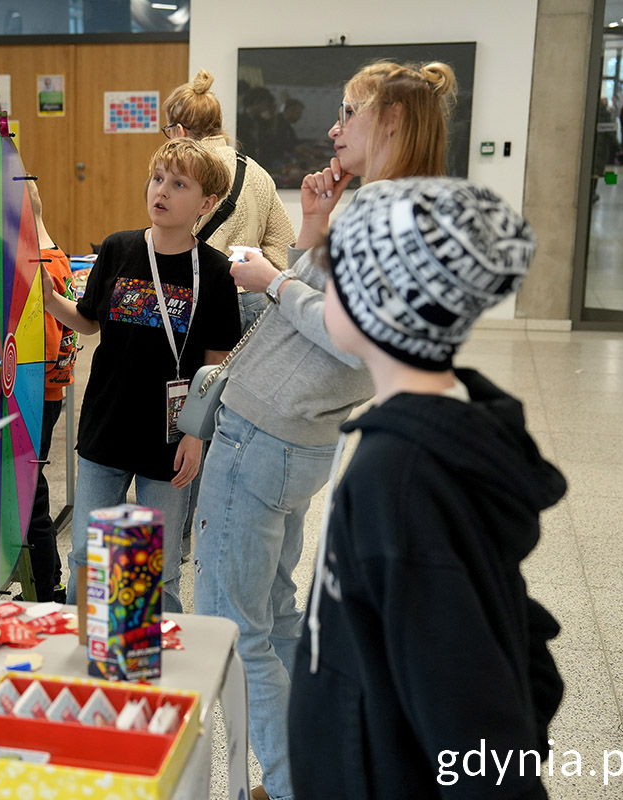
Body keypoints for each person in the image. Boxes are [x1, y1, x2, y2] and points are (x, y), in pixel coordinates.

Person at [192, 60, 457, 800]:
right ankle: (300, 771)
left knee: (231, 627)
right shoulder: (388, 209)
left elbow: (353, 337)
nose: (335, 127)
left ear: (393, 121)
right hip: (289, 438)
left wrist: (273, 279)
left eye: (350, 112)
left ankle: (284, 783)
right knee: (274, 619)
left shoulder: (395, 218)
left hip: (267, 439)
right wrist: (310, 232)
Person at [290, 177, 565, 798]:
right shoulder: (442, 431)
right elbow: (504, 628)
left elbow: (477, 728)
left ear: (375, 299)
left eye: (335, 273)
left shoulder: (399, 479)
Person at [45, 138, 241, 613]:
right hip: (107, 425)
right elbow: (89, 321)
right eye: (157, 179)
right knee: (86, 557)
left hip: (172, 437)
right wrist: (50, 301)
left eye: (179, 184)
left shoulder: (214, 272)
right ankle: (82, 655)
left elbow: (216, 364)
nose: (162, 191)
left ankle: (162, 666)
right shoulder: (118, 248)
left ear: (206, 203)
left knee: (160, 564)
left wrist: (196, 436)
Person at [163, 70, 296, 329]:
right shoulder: (256, 171)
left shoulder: (184, 176)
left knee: (202, 371)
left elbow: (169, 239)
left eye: (168, 131)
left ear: (179, 130)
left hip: (203, 298)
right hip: (256, 298)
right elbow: (283, 245)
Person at [24, 177, 77, 601]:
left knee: (28, 492)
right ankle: (44, 581)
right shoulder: (57, 255)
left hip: (33, 395)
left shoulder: (36, 266)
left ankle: (46, 586)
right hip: (50, 393)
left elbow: (37, 348)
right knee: (31, 483)